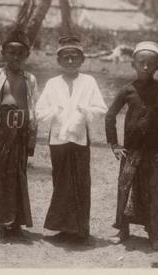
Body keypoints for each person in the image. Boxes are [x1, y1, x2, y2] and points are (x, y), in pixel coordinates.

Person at [105, 41, 158, 250]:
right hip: (130, 151)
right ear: (133, 64)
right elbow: (110, 115)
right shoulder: (127, 90)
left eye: (150, 63)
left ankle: (154, 234)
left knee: (152, 191)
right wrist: (114, 144)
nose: (145, 67)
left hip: (153, 152)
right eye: (141, 62)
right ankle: (123, 229)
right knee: (125, 188)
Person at [36, 35, 107, 245]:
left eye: (74, 57)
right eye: (65, 58)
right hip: (58, 139)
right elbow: (39, 111)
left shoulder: (89, 82)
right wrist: (54, 113)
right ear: (58, 61)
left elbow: (101, 108)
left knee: (81, 182)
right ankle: (63, 229)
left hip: (79, 139)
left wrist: (84, 112)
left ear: (82, 60)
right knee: (61, 182)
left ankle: (80, 230)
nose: (69, 61)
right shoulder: (52, 84)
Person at [0, 28, 38, 240]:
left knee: (18, 176)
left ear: (27, 56)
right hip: (1, 131)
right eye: (11, 52)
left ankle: (16, 223)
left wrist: (32, 138)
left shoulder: (30, 79)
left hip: (21, 132)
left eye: (20, 53)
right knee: (0, 176)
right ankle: (1, 223)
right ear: (3, 53)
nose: (15, 57)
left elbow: (34, 109)